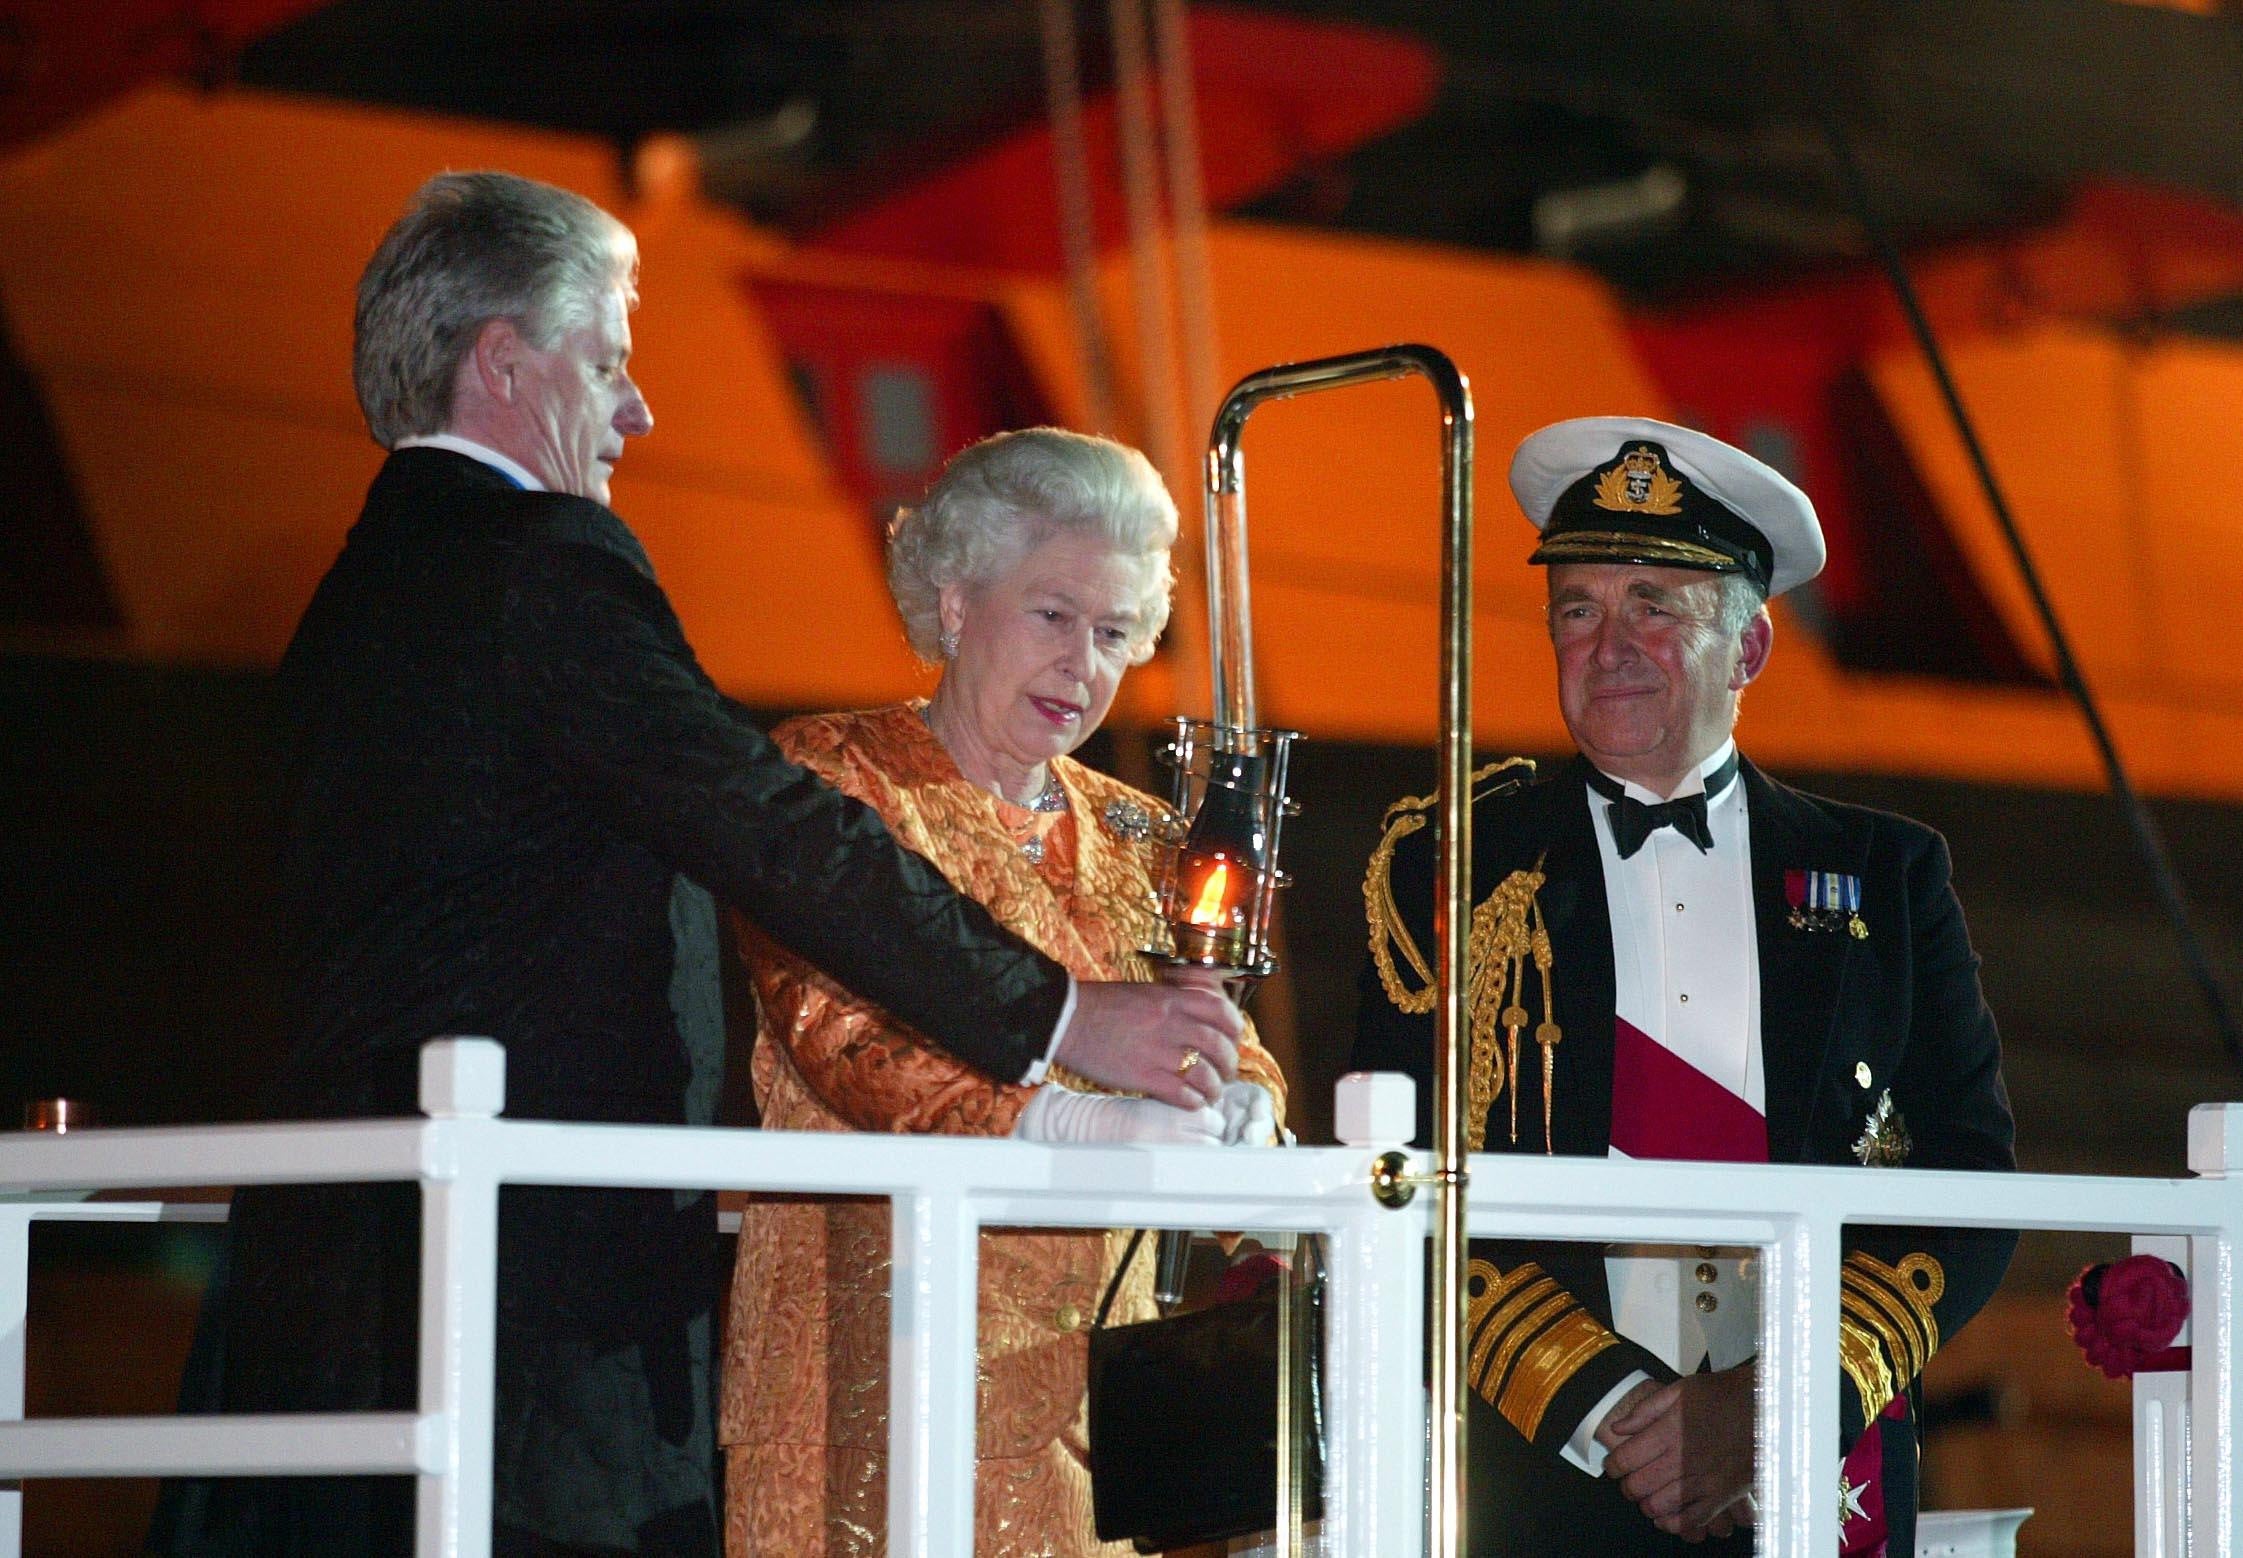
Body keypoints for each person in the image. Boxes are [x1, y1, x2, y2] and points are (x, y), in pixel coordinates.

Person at [150, 173, 1243, 1558]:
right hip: (526, 1309)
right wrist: (1069, 1019)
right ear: (503, 363)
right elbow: (764, 825)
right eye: (607, 361)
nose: (637, 407)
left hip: (347, 1276)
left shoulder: (354, 592)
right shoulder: (542, 563)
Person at [1353, 417, 2017, 1555]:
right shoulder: (1451, 865)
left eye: (1652, 605)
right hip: (1542, 1467)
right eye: (1577, 609)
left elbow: (1963, 1175)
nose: (1607, 644)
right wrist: (1607, 1411)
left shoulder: (1882, 872)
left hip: (1817, 1464)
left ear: (1748, 647)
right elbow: (1395, 1170)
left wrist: (1775, 1400)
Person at [720, 427, 1288, 1556]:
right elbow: (847, 1039)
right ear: (951, 599)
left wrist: (1247, 1109)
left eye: (1116, 632)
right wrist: (1082, 1119)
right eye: (1052, 615)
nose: (1083, 665)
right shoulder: (830, 782)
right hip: (870, 1388)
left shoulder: (1142, 832)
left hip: (1103, 1425)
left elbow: (1222, 1033)